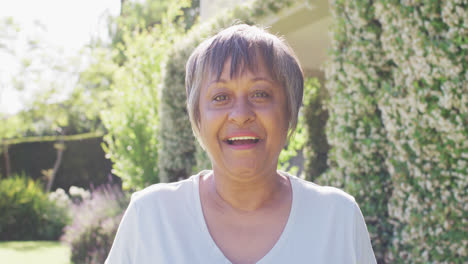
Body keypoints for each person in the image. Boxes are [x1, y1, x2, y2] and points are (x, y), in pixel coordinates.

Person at [105, 24, 377, 264]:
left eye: (260, 94)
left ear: (289, 112)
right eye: (221, 97)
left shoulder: (338, 218)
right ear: (197, 117)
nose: (241, 114)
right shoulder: (150, 217)